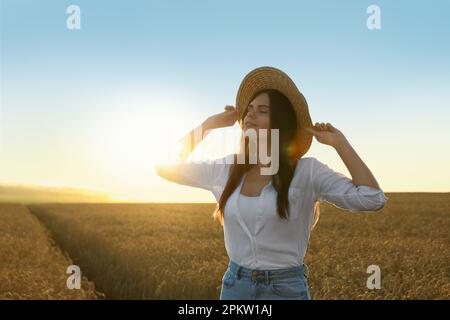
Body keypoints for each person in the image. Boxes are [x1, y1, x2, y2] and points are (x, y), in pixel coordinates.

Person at [155, 66, 388, 300]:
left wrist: (340, 143)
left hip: (285, 289)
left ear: (280, 122)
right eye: (249, 110)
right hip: (236, 286)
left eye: (262, 110)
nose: (250, 116)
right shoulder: (225, 169)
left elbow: (372, 199)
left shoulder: (307, 171)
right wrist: (208, 125)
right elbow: (164, 167)